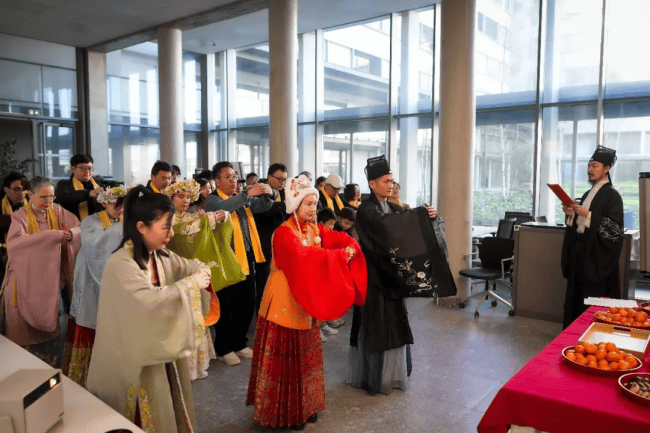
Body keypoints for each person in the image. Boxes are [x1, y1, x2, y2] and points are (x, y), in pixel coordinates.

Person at [86, 186, 212, 433]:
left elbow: (192, 265)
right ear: (141, 227)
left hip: (159, 349)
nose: (171, 233)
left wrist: (200, 271)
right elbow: (149, 302)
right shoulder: (121, 263)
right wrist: (191, 284)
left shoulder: (160, 256)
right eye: (166, 227)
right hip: (134, 357)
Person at [246, 175, 367, 430]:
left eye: (314, 204)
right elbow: (304, 257)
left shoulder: (313, 229)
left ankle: (304, 406)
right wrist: (339, 256)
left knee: (305, 357)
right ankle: (285, 413)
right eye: (308, 204)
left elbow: (336, 237)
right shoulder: (284, 232)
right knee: (287, 359)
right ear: (295, 205)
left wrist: (351, 244)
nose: (313, 209)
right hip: (284, 300)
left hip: (303, 299)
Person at [347, 155, 437, 395]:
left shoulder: (390, 206)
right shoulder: (367, 209)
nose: (390, 185)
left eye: (391, 180)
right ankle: (374, 377)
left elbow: (403, 221)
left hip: (390, 277)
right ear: (372, 184)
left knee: (394, 323)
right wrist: (416, 216)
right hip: (374, 279)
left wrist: (428, 215)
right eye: (385, 181)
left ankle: (392, 374)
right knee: (377, 326)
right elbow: (390, 226)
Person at [162, 179, 245, 379]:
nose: (185, 200)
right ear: (170, 197)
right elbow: (186, 227)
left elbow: (198, 225)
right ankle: (182, 368)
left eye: (188, 197)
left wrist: (219, 218)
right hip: (174, 275)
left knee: (197, 315)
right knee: (181, 319)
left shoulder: (188, 216)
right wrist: (210, 218)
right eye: (180, 196)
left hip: (191, 274)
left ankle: (197, 365)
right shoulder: (166, 218)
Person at [1, 176, 81, 366]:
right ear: (30, 195)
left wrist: (72, 234)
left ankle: (49, 368)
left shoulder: (58, 211)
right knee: (22, 330)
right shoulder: (20, 216)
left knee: (50, 329)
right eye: (43, 197)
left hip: (49, 280)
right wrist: (51, 236)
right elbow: (15, 245)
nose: (48, 201)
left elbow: (78, 226)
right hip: (23, 278)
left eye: (51, 197)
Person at [204, 162, 277, 366]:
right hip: (226, 260)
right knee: (227, 305)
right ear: (216, 181)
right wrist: (247, 193)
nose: (233, 180)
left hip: (247, 256)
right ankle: (224, 348)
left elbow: (263, 206)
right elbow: (225, 207)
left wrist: (269, 193)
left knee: (246, 302)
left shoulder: (241, 198)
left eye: (235, 176)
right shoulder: (213, 200)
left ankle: (239, 342)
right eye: (228, 177)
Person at [64, 186, 128, 386]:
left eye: (124, 205)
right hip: (90, 276)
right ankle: (85, 376)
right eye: (116, 205)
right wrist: (125, 228)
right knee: (91, 316)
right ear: (104, 203)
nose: (120, 209)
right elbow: (94, 244)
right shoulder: (90, 221)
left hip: (118, 275)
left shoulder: (127, 220)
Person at [561, 145, 624, 329]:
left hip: (597, 260)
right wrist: (571, 215)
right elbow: (580, 225)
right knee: (574, 300)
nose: (590, 169)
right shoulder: (587, 194)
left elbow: (614, 231)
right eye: (589, 165)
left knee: (591, 303)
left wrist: (588, 214)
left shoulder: (613, 196)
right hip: (579, 256)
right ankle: (571, 336)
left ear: (606, 169)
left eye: (594, 166)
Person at [253, 163, 288, 313]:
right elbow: (264, 210)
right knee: (264, 279)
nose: (282, 182)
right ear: (269, 177)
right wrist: (285, 206)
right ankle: (262, 314)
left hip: (280, 241)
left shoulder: (284, 191)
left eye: (284, 179)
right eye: (279, 179)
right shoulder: (260, 190)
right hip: (264, 241)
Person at [55, 154, 104, 221]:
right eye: (83, 168)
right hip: (73, 224)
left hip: (97, 224)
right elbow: (65, 198)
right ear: (73, 169)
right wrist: (89, 194)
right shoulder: (63, 185)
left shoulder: (98, 185)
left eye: (90, 168)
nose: (87, 172)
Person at [0, 172, 28, 285]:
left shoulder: (31, 203)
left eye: (23, 189)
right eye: (16, 189)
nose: (21, 193)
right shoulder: (1, 204)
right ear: (6, 189)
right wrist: (16, 218)